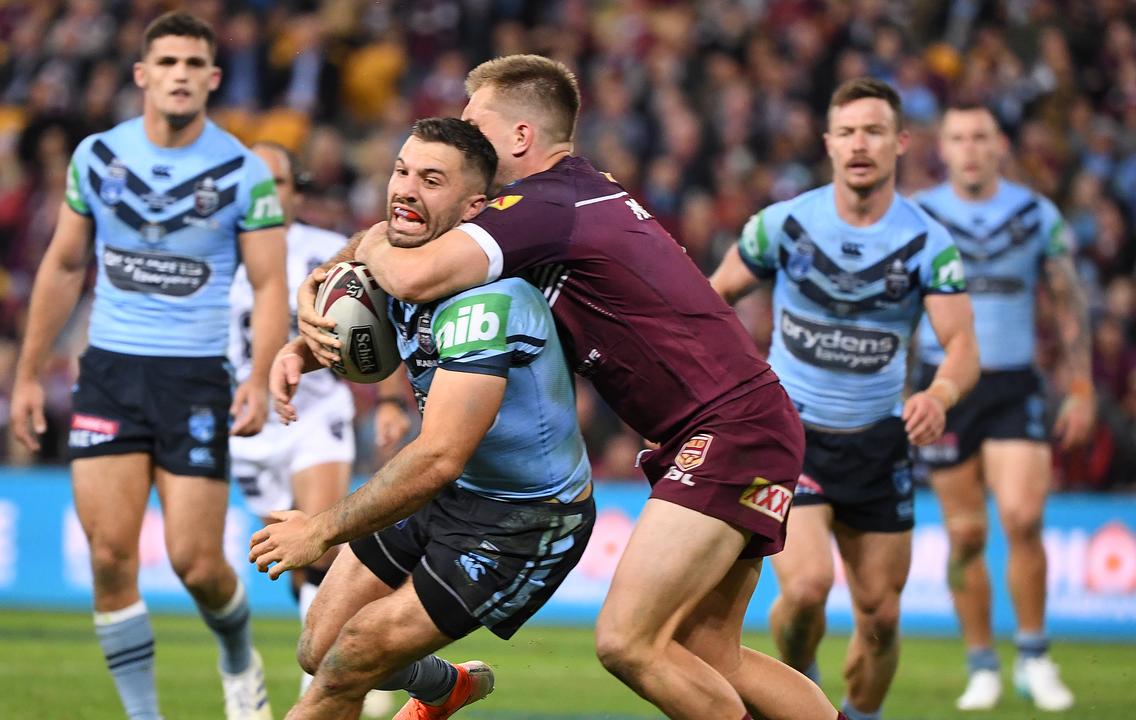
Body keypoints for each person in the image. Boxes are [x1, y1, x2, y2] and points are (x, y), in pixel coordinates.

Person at [292, 55, 841, 720]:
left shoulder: (545, 206)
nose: (464, 137)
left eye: (475, 123)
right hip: (731, 423)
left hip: (728, 430)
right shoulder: (563, 199)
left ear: (519, 137)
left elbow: (409, 271)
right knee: (709, 652)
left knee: (628, 642)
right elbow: (411, 242)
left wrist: (372, 237)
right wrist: (319, 291)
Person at [250, 116, 596, 720]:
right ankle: (444, 687)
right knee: (319, 646)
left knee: (346, 664)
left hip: (523, 518)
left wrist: (320, 530)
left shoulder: (485, 303)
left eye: (431, 180)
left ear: (474, 208)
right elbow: (369, 261)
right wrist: (299, 349)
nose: (406, 189)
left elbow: (438, 456)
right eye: (401, 171)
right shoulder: (401, 261)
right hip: (455, 490)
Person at [8, 13, 287, 720]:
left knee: (196, 562)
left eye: (195, 63)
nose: (181, 74)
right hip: (109, 371)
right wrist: (26, 374)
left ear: (213, 79)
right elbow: (66, 263)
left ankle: (236, 654)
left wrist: (256, 377)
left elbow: (269, 285)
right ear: (142, 74)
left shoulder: (242, 173)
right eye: (167, 62)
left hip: (194, 378)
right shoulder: (97, 158)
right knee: (109, 557)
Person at [710, 77, 980, 720]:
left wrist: (940, 393)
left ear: (901, 143)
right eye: (849, 131)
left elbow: (963, 343)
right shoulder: (785, 224)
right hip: (792, 437)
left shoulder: (927, 243)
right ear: (829, 143)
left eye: (875, 131)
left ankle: (859, 714)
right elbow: (711, 301)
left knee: (881, 615)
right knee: (805, 589)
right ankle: (799, 688)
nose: (861, 144)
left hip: (880, 441)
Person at [912, 103, 1091, 712]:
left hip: (1014, 382)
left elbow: (1068, 301)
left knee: (1021, 518)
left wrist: (1082, 385)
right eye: (957, 137)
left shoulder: (1036, 214)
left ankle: (1036, 655)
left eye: (980, 137)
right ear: (944, 148)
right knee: (964, 536)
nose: (968, 148)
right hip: (946, 388)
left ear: (999, 146)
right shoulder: (921, 215)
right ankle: (982, 662)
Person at [226, 141, 408, 716]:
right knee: (292, 557)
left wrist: (386, 400)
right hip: (250, 426)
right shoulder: (215, 257)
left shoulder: (328, 253)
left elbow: (381, 324)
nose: (265, 193)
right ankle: (361, 659)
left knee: (322, 544)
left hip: (318, 414)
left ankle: (335, 680)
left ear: (295, 191)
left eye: (275, 182)